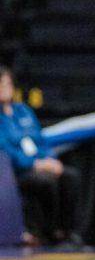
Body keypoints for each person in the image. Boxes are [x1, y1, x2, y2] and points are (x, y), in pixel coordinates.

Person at [0, 68, 83, 246]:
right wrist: (35, 163)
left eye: (8, 83)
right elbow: (6, 150)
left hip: (41, 163)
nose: (5, 88)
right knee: (46, 181)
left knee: (70, 176)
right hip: (17, 171)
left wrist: (50, 160)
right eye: (1, 84)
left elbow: (41, 141)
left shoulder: (23, 111)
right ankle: (49, 231)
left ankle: (67, 231)